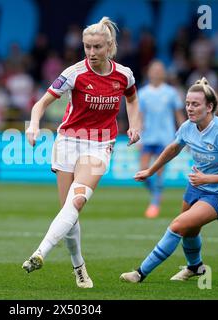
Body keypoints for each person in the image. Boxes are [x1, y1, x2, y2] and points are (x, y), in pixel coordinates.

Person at [22, 17, 141, 288]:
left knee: (76, 203)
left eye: (97, 47)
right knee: (68, 211)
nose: (91, 52)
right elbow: (40, 103)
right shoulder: (74, 73)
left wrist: (134, 125)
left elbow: (132, 98)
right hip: (68, 141)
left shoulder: (124, 75)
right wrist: (34, 126)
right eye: (87, 46)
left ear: (109, 45)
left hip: (99, 144)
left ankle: (40, 252)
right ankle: (79, 267)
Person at [120, 77, 218, 283]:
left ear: (209, 107)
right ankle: (195, 267)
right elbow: (173, 149)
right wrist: (151, 170)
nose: (189, 108)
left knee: (178, 225)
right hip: (196, 186)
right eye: (187, 103)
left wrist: (207, 178)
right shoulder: (188, 126)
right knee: (189, 230)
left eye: (195, 104)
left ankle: (140, 273)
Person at [138, 60, 185, 218]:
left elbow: (178, 115)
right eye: (154, 70)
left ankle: (155, 204)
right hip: (148, 137)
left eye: (160, 70)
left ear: (164, 73)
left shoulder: (171, 92)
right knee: (142, 170)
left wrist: (184, 134)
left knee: (158, 171)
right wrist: (138, 137)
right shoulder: (143, 93)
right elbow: (140, 117)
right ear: (149, 72)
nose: (157, 72)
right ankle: (157, 193)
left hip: (166, 138)